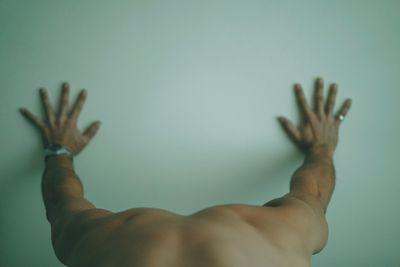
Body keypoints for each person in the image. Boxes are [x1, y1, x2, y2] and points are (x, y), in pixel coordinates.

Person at [19, 77, 352, 267]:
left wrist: (58, 150)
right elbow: (61, 202)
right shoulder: (282, 239)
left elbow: (62, 202)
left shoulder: (96, 242)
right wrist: (321, 148)